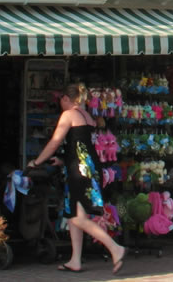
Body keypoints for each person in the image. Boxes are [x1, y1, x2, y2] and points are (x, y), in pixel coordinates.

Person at [28, 82, 126, 275]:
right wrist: (63, 160)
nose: (60, 105)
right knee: (74, 215)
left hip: (78, 171)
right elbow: (81, 146)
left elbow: (55, 141)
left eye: (61, 101)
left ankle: (116, 248)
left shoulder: (69, 115)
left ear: (66, 98)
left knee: (77, 218)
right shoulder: (86, 115)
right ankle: (75, 260)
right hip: (87, 167)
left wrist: (37, 162)